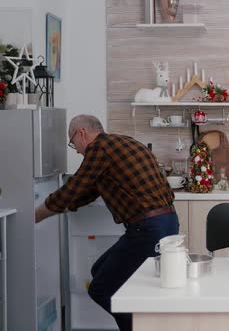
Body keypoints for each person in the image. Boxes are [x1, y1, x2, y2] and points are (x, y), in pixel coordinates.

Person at [34, 115, 179, 331]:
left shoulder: (99, 148)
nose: (76, 150)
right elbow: (88, 191)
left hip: (148, 229)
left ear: (81, 133)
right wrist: (65, 206)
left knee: (101, 288)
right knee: (100, 270)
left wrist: (36, 214)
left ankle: (140, 327)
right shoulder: (125, 142)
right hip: (167, 223)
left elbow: (75, 187)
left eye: (73, 143)